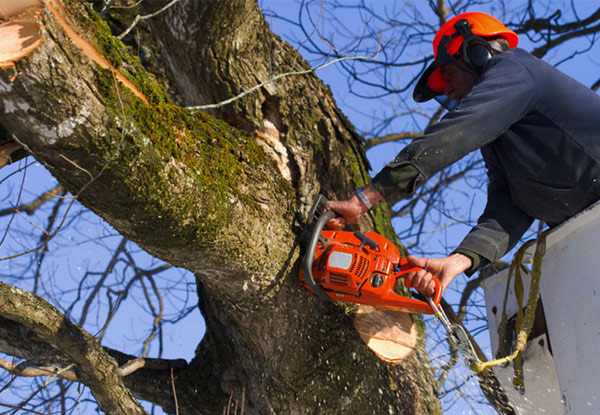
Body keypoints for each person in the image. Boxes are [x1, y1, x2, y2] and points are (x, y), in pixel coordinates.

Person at [326, 12, 600, 297]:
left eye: (448, 73)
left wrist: (363, 199)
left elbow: (456, 132)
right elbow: (509, 208)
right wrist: (458, 261)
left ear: (476, 52)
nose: (447, 88)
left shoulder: (516, 69)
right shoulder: (500, 140)